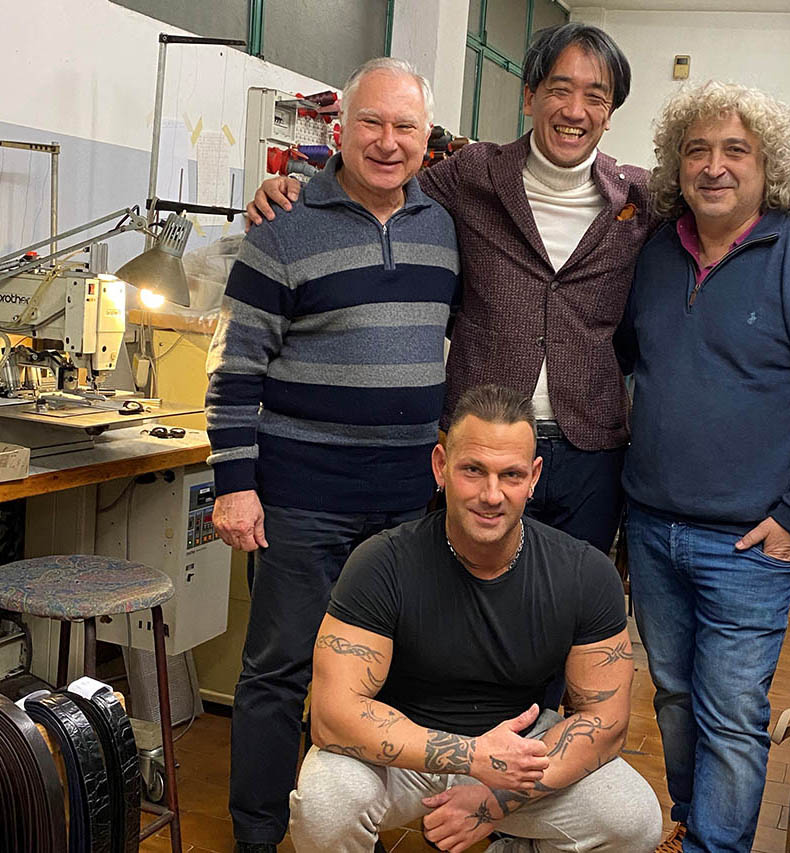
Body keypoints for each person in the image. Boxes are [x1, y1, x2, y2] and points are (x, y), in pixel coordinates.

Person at [247, 23, 790, 556]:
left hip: (591, 452)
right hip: (481, 446)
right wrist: (300, 187)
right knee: (465, 609)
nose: (575, 110)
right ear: (530, 96)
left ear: (610, 113)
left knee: (568, 614)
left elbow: (724, 198)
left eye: (597, 96)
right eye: (561, 89)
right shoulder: (471, 176)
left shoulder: (640, 199)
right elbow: (385, 176)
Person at [616, 81, 790, 853]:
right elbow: (634, 359)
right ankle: (693, 823)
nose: (715, 166)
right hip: (652, 527)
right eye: (697, 149)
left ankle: (717, 846)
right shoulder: (655, 253)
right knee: (672, 696)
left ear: (769, 168)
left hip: (748, 545)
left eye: (737, 150)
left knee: (731, 712)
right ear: (677, 164)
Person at [205, 58, 460, 852]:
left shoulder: (443, 226)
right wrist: (235, 484)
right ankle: (257, 834)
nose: (387, 142)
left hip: (406, 504)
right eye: (371, 123)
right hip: (300, 499)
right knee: (279, 669)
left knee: (382, 673)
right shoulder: (283, 227)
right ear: (340, 130)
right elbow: (233, 369)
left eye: (405, 126)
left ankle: (355, 822)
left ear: (426, 136)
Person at [288, 383, 662, 853]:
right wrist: (472, 755)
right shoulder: (382, 562)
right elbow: (331, 717)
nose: (491, 494)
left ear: (534, 477)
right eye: (473, 470)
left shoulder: (584, 572)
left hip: (520, 754)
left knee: (634, 820)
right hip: (403, 749)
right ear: (440, 466)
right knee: (326, 803)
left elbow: (606, 722)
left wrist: (494, 800)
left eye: (511, 475)